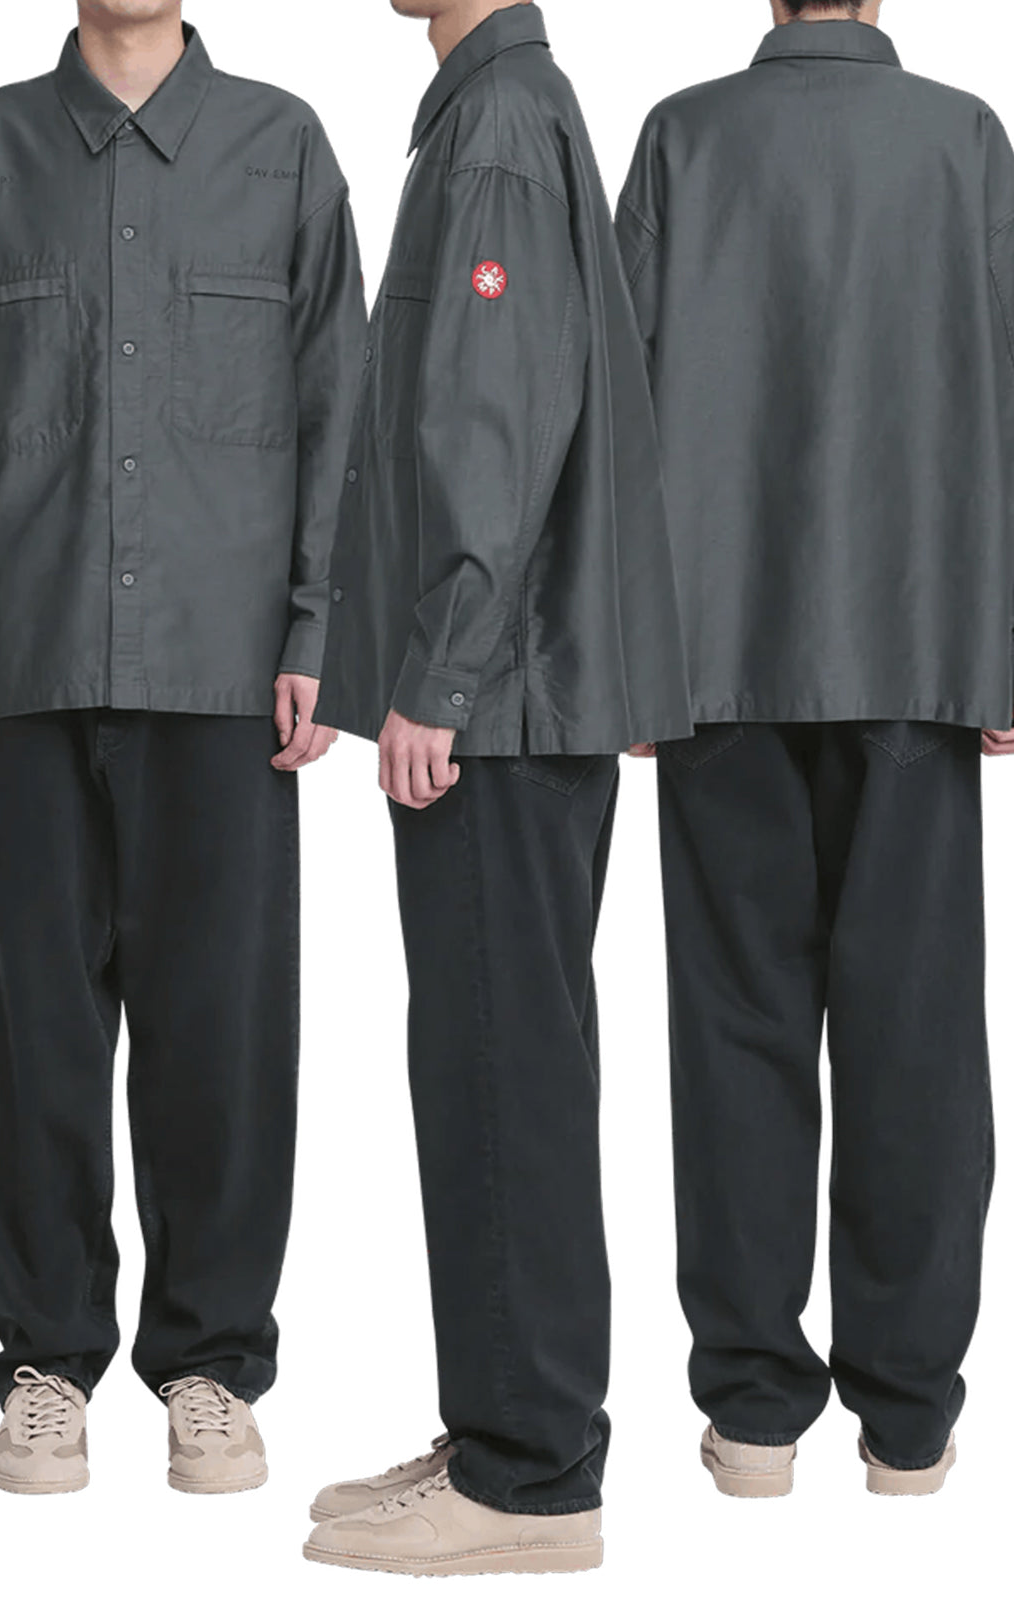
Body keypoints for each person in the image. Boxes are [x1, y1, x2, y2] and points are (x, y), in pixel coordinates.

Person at [0, 0, 365, 1494]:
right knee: (32, 1041)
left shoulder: (284, 147)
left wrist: (320, 629)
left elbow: (340, 405)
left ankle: (210, 1367)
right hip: (32, 662)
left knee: (221, 1040)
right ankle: (45, 1365)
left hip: (226, 673)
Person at [305, 0, 691, 1578]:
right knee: (492, 1059)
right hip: (519, 697)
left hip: (504, 703)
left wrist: (441, 673)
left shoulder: (500, 126)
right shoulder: (495, 111)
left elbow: (495, 420)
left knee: (499, 1066)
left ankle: (531, 1479)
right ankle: (501, 1430)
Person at [617, 0, 1014, 1499]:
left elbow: (617, 403)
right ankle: (908, 1419)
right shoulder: (963, 140)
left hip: (717, 658)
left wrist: (626, 655)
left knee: (737, 1031)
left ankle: (755, 1413)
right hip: (920, 647)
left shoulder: (684, 137)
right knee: (917, 1035)